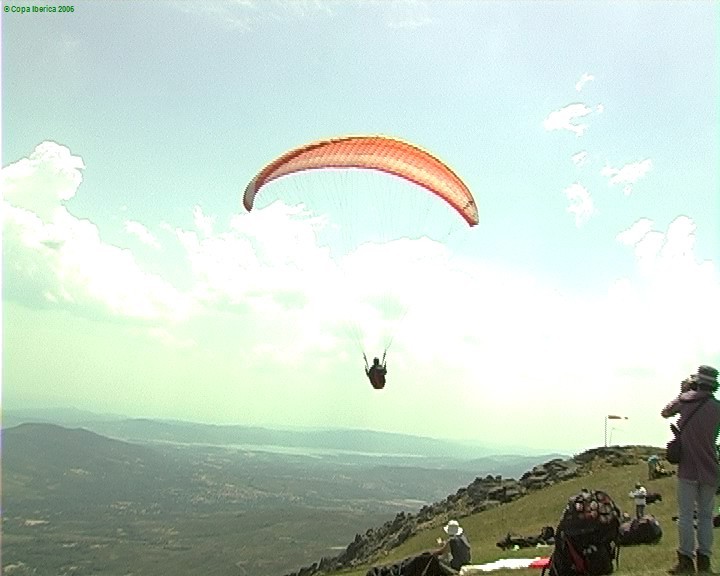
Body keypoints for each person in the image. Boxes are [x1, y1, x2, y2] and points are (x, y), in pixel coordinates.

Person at [661, 365, 720, 575]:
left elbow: (665, 412)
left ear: (696, 382)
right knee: (706, 516)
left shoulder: (684, 401)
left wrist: (683, 392)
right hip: (711, 468)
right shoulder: (717, 407)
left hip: (688, 467)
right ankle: (704, 561)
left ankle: (685, 560)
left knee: (686, 516)